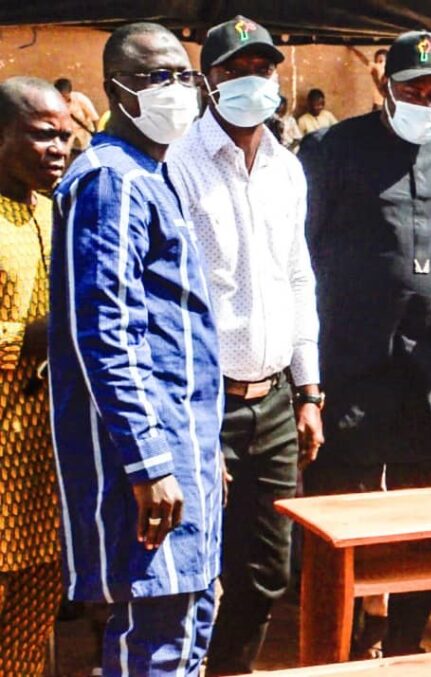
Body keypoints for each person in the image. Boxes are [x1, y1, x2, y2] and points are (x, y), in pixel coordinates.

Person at [298, 30, 431, 657]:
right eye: (415, 88)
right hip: (350, 363)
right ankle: (339, 642)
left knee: (423, 509)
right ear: (387, 86)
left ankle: (406, 640)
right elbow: (300, 252)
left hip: (430, 369)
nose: (427, 101)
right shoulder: (332, 149)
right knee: (342, 508)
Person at [49, 22, 222, 675]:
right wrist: (150, 463)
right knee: (154, 638)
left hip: (183, 450)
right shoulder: (111, 181)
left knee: (188, 627)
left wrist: (202, 453)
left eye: (183, 75)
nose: (176, 89)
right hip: (147, 464)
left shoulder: (152, 175)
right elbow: (106, 331)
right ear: (114, 89)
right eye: (156, 76)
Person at [165, 16, 323, 673]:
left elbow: (298, 279)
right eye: (235, 70)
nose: (252, 81)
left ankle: (228, 669)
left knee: (265, 571)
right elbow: (168, 299)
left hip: (277, 403)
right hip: (206, 403)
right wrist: (190, 417)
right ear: (208, 80)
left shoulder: (287, 169)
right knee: (190, 568)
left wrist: (309, 391)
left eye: (262, 68)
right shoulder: (178, 163)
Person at [0, 76, 70, 674]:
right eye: (44, 135)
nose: (59, 149)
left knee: (31, 626)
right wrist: (31, 338)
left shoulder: (55, 213)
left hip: (46, 468)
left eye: (65, 136)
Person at [54, 77, 101, 156]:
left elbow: (94, 117)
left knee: (88, 151)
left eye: (64, 96)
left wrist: (95, 133)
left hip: (84, 128)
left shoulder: (80, 99)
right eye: (60, 96)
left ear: (69, 92)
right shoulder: (55, 101)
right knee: (63, 151)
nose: (63, 98)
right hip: (68, 130)